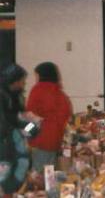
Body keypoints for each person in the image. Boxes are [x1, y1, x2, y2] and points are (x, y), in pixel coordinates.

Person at [26, 62, 72, 173]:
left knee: (38, 174)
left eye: (36, 75)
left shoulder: (37, 89)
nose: (36, 78)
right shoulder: (59, 92)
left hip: (40, 138)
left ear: (42, 75)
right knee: (49, 173)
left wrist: (26, 134)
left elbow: (30, 115)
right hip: (55, 138)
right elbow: (66, 113)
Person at [0, 64, 30, 196]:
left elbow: (26, 126)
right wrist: (22, 122)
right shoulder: (3, 97)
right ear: (15, 81)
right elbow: (6, 123)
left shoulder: (17, 97)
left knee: (13, 182)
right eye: (22, 81)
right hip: (5, 147)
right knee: (5, 183)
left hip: (16, 145)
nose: (24, 84)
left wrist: (31, 126)